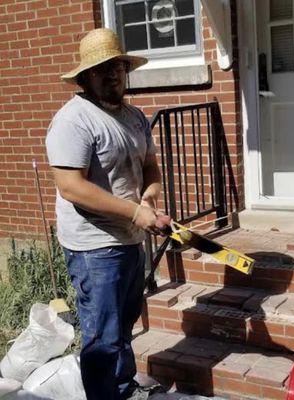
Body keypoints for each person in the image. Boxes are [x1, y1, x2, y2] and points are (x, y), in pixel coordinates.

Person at [46, 28, 170, 400]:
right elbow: (71, 187)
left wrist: (148, 197)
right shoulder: (74, 120)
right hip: (94, 247)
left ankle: (124, 389)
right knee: (103, 335)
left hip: (130, 239)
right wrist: (135, 212)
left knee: (124, 324)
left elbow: (150, 165)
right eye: (102, 69)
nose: (112, 74)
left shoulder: (134, 116)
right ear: (85, 76)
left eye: (117, 66)